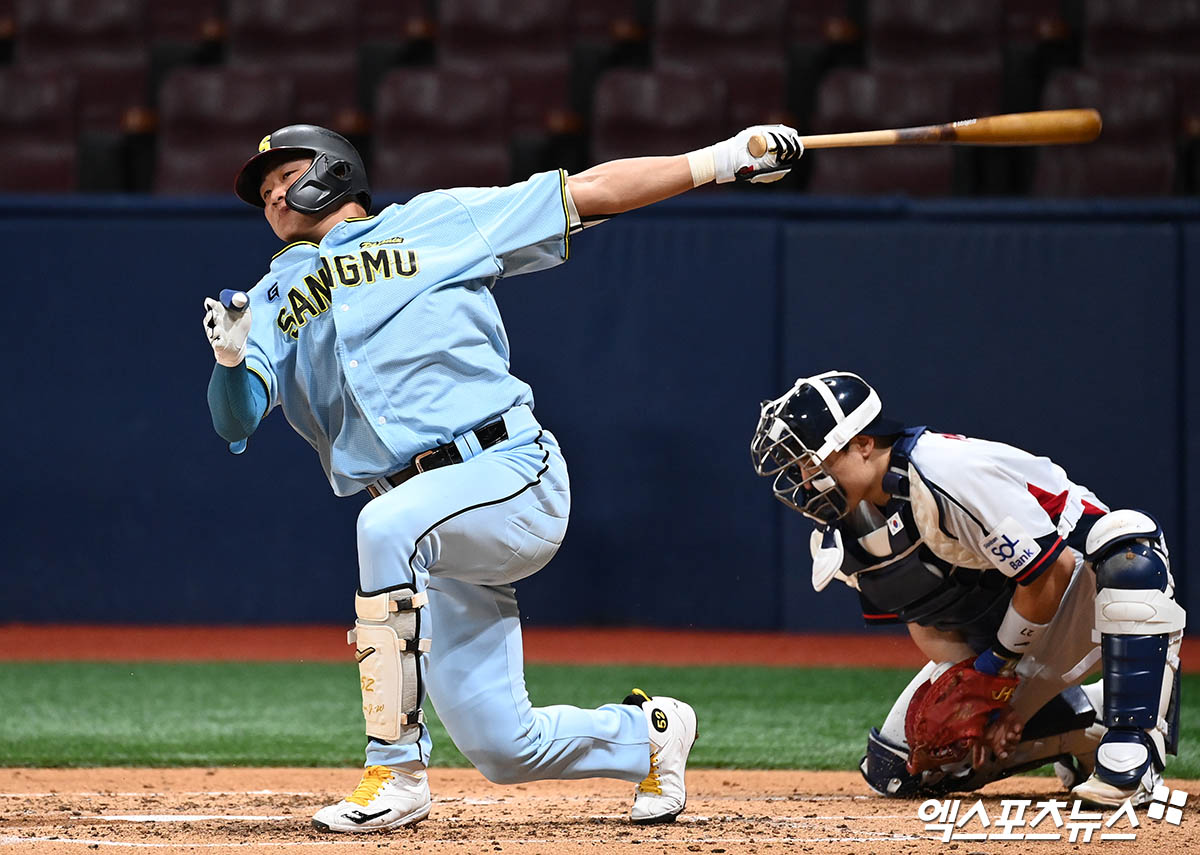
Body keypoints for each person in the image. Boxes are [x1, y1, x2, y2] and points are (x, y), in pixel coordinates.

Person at [203, 123, 803, 832]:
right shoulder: (271, 296)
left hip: (509, 472)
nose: (272, 194)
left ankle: (394, 773)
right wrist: (232, 361)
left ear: (333, 168)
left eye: (284, 174)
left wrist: (722, 160)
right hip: (430, 529)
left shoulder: (435, 221)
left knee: (384, 525)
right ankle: (650, 734)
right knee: (501, 745)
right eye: (262, 191)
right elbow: (234, 421)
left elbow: (588, 192)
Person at [749, 370, 1185, 806]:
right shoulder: (846, 533)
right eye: (802, 467)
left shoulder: (945, 473)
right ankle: (1085, 725)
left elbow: (1049, 574)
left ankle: (1133, 746)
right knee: (904, 766)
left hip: (1077, 588)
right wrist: (980, 693)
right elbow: (926, 621)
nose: (807, 481)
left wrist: (998, 672)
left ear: (863, 443)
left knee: (1128, 548)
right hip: (1003, 627)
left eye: (814, 461)